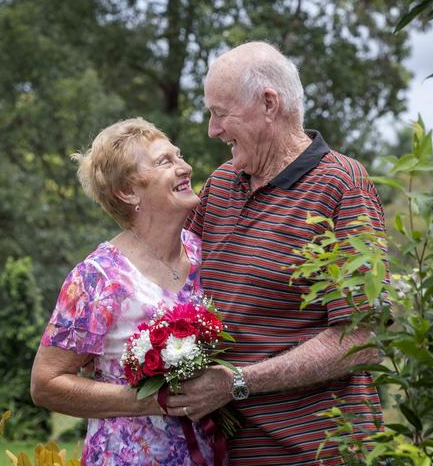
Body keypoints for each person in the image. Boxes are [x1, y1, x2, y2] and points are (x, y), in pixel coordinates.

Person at [163, 42, 387, 465]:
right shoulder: (222, 184)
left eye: (220, 112)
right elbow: (169, 283)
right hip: (228, 449)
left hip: (319, 450)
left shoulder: (342, 185)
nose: (212, 130)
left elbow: (362, 337)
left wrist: (239, 382)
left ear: (269, 103)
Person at [31, 118, 219, 464]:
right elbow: (46, 383)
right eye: (166, 161)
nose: (185, 167)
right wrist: (148, 400)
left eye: (179, 157)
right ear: (128, 191)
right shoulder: (98, 278)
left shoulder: (208, 256)